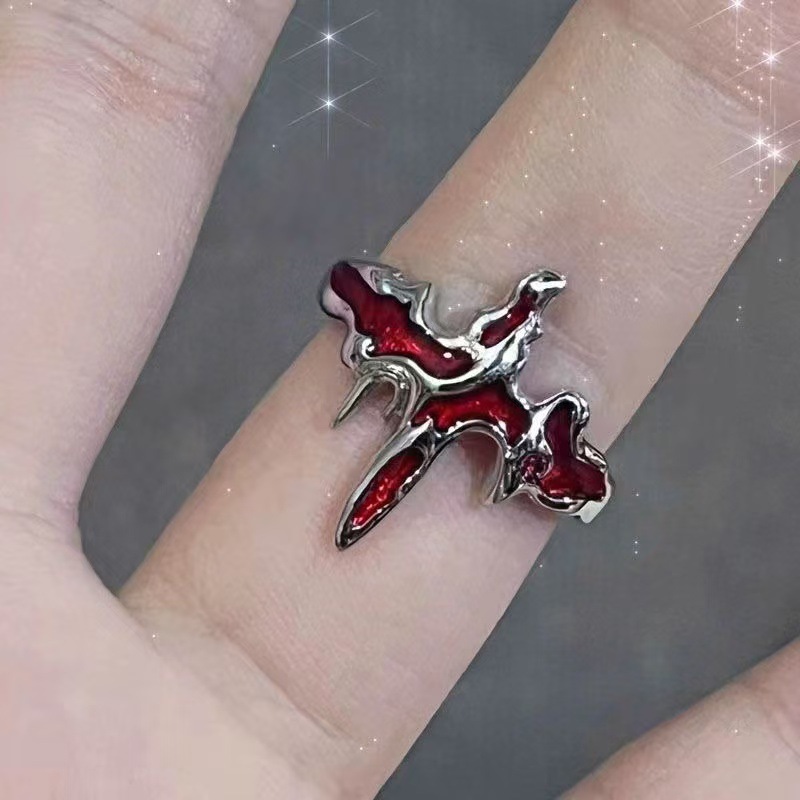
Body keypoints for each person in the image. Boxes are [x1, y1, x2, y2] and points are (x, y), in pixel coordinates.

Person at [0, 0, 797, 797]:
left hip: (449, 395)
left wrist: (516, 350)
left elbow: (506, 365)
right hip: (437, 384)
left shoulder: (502, 400)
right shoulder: (470, 367)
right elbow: (456, 326)